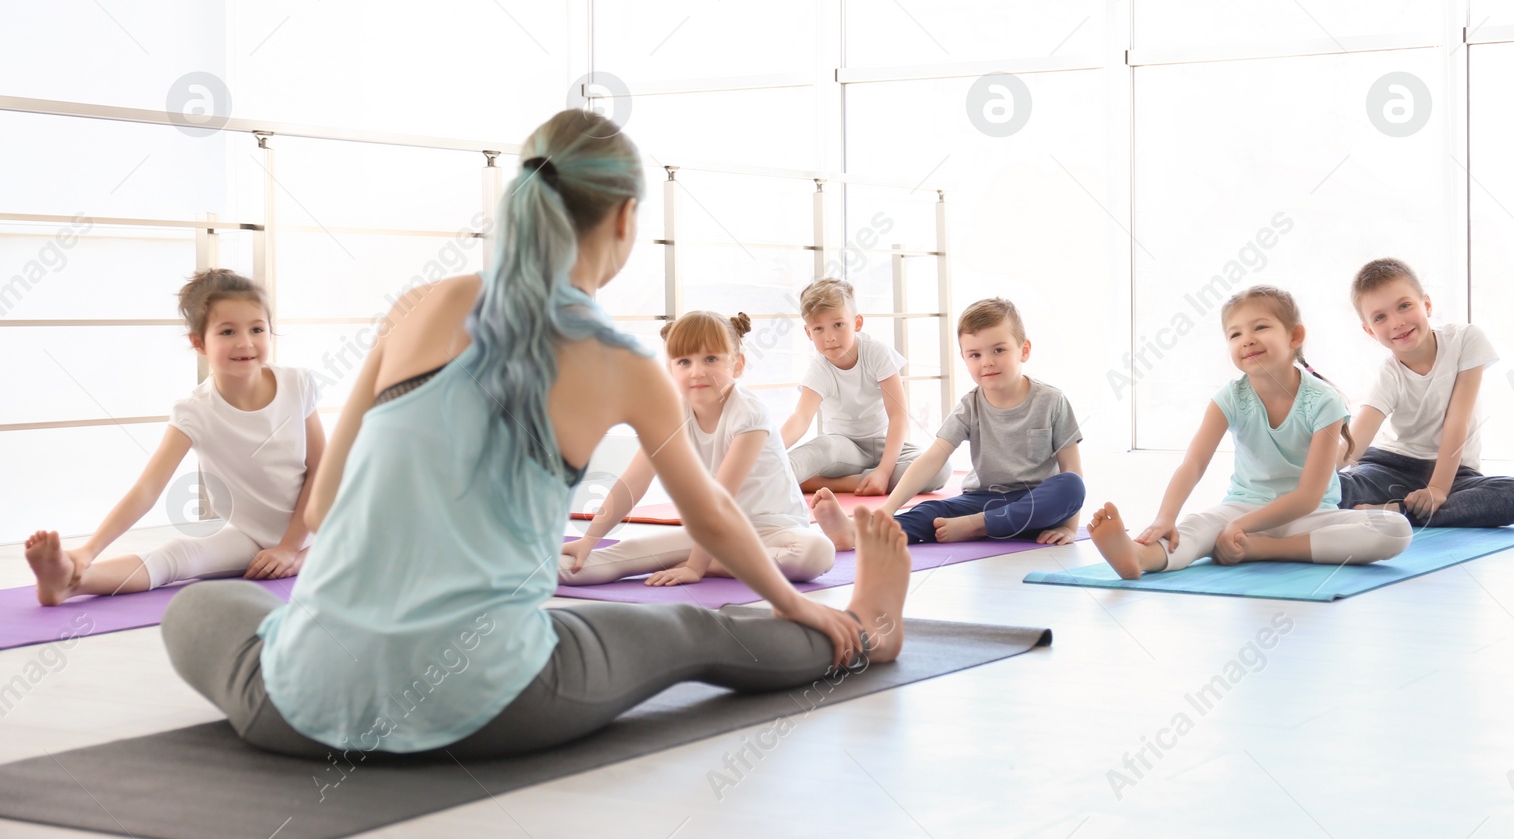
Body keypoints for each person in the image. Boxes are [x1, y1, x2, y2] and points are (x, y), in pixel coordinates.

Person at [159, 110, 911, 760]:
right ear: (623, 220)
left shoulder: (422, 307)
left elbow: (321, 507)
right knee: (693, 631)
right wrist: (801, 604)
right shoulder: (623, 362)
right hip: (495, 704)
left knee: (199, 608)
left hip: (294, 711)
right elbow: (711, 516)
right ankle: (867, 628)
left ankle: (340, 650)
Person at [26, 269, 321, 605]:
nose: (245, 343)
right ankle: (69, 581)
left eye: (257, 328)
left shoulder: (298, 385)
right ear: (199, 343)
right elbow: (147, 489)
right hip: (255, 538)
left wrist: (290, 548)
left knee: (361, 542)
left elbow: (323, 472)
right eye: (227, 331)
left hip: (322, 527)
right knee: (180, 554)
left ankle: (304, 561)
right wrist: (88, 551)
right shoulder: (194, 411)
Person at [1084, 285, 1412, 578]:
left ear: (1295, 336)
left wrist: (1241, 530)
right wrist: (1165, 517)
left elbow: (1309, 495)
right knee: (1196, 528)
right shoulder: (1230, 398)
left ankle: (1261, 548)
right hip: (1243, 506)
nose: (1247, 340)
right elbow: (1193, 464)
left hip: (1308, 516)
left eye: (1260, 327)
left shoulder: (1323, 401)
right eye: (1235, 334)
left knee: (1396, 529)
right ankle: (1140, 557)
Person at [560, 310, 833, 586]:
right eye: (684, 361)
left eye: (711, 359)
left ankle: (720, 566)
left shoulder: (750, 415)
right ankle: (529, 572)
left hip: (775, 531)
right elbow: (633, 482)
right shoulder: (668, 416)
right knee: (616, 556)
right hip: (711, 533)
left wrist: (696, 567)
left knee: (817, 552)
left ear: (738, 365)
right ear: (671, 369)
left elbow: (719, 500)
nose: (697, 371)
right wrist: (589, 540)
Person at [813, 297, 1085, 549]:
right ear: (965, 359)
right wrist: (886, 510)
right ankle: (860, 534)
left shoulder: (1051, 401)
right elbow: (931, 460)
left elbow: (1071, 468)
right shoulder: (970, 406)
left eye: (999, 350)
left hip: (1034, 507)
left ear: (1023, 350)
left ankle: (976, 527)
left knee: (1070, 486)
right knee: (928, 512)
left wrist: (1069, 527)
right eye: (975, 355)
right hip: (984, 501)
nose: (987, 362)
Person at [1338, 258, 1514, 527]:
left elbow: (1457, 420)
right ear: (1370, 331)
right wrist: (1313, 483)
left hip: (1454, 473)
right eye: (1380, 317)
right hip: (1390, 467)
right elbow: (1357, 440)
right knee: (1333, 489)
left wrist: (1438, 490)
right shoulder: (1389, 374)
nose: (1396, 322)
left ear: (1426, 305)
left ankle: (1397, 511)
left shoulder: (1466, 340)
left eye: (1404, 306)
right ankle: (1406, 509)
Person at [780, 277, 949, 495]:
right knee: (821, 448)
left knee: (941, 468)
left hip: (884, 447)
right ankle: (847, 482)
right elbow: (801, 418)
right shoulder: (819, 369)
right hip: (843, 450)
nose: (830, 337)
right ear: (808, 333)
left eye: (838, 325)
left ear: (857, 323)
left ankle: (824, 482)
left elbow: (898, 417)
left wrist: (884, 471)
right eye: (819, 328)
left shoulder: (877, 353)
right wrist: (767, 451)